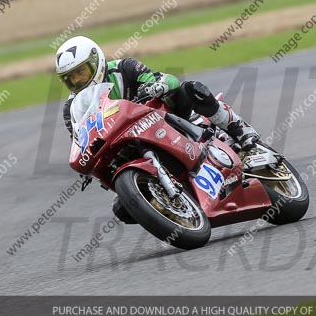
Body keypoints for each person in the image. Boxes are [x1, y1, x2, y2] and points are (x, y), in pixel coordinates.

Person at [56, 36, 260, 224]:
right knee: (123, 209)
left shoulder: (124, 68)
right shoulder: (71, 109)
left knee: (190, 89)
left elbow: (165, 79)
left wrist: (157, 86)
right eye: (70, 79)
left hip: (163, 120)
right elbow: (80, 138)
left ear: (96, 62)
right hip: (124, 147)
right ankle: (173, 210)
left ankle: (241, 131)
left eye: (80, 73)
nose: (76, 81)